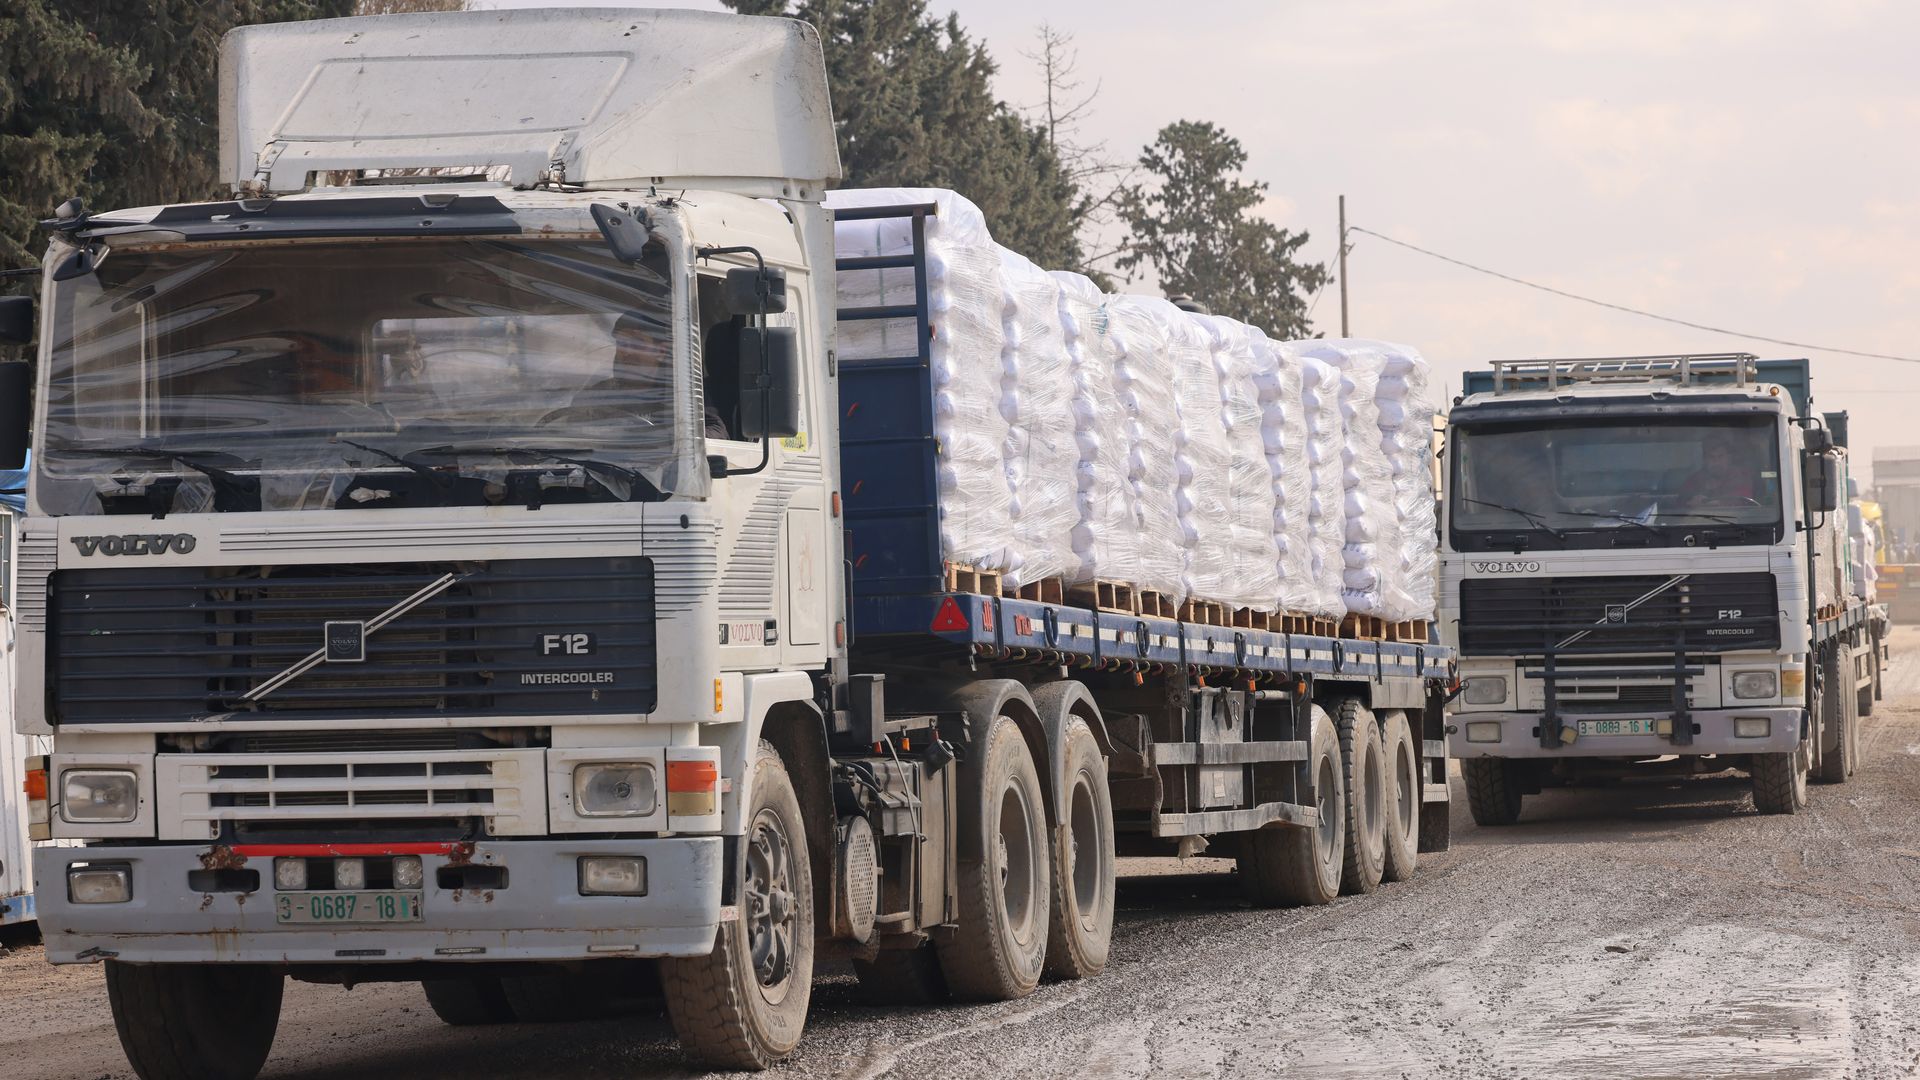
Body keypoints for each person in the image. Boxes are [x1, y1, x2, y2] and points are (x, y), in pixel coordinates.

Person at [1674, 433, 1759, 507]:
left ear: (1729, 458)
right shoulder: (1693, 481)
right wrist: (1690, 504)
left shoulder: (1742, 477)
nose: (1716, 461)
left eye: (1720, 456)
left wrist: (1717, 505)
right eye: (1711, 457)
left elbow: (1745, 503)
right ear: (1704, 459)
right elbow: (1680, 507)